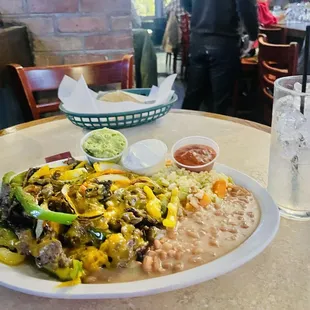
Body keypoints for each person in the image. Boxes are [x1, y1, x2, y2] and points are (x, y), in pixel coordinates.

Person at [181, 0, 258, 114]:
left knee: (193, 96)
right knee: (221, 102)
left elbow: (185, 2)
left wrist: (201, 13)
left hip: (198, 39)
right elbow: (246, 6)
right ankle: (217, 130)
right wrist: (253, 35)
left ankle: (181, 129)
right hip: (224, 41)